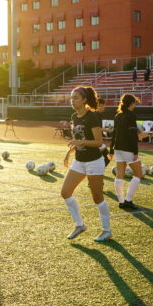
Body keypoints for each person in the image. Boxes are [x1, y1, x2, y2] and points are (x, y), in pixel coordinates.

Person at [60, 86, 112, 242]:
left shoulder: (92, 117)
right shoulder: (74, 117)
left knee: (97, 197)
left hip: (94, 162)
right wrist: (68, 153)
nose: (72, 100)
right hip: (79, 161)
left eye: (76, 97)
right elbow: (77, 140)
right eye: (71, 98)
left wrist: (82, 141)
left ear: (84, 100)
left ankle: (107, 231)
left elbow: (99, 142)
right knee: (65, 192)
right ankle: (80, 225)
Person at [109, 93, 144, 210]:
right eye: (134, 103)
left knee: (120, 175)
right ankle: (128, 200)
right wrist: (135, 152)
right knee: (138, 174)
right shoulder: (131, 115)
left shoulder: (117, 116)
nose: (135, 105)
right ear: (131, 103)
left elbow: (114, 133)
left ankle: (121, 201)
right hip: (128, 148)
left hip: (118, 148)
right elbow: (132, 134)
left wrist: (111, 150)